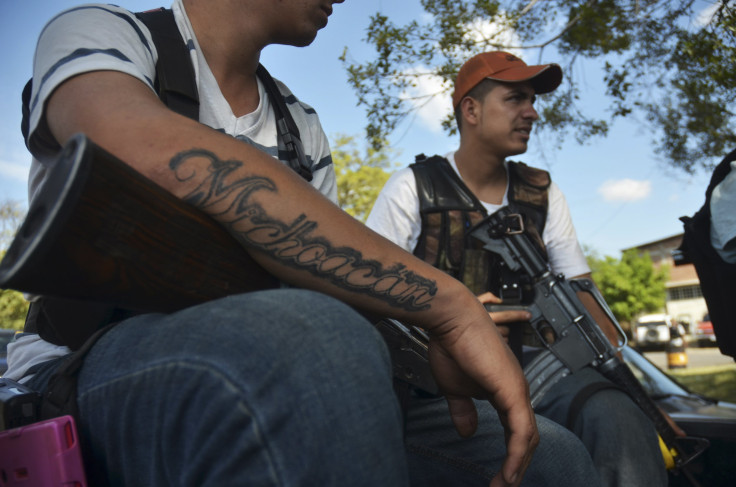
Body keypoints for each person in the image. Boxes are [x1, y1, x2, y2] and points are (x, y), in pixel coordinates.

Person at [2, 2, 602, 486]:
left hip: (287, 365)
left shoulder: (299, 124)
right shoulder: (105, 33)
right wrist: (449, 306)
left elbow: (334, 285)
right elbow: (139, 148)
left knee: (553, 458)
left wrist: (423, 347)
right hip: (88, 364)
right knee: (307, 337)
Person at [366, 51, 668, 486]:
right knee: (551, 453)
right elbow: (374, 296)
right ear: (470, 109)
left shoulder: (543, 192)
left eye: (532, 100)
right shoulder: (413, 187)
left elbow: (583, 293)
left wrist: (635, 393)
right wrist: (457, 319)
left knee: (618, 418)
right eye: (515, 99)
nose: (532, 112)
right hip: (449, 379)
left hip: (544, 368)